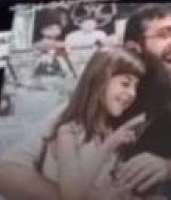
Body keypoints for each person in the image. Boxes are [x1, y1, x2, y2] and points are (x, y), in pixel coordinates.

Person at [0, 4, 171, 200]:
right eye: (165, 34)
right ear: (134, 48)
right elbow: (4, 173)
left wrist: (168, 167)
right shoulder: (92, 107)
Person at [38, 47, 146, 199]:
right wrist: (109, 144)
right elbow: (73, 195)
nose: (132, 93)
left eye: (136, 87)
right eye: (125, 84)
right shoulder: (69, 132)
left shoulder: (108, 131)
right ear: (100, 80)